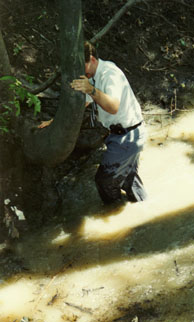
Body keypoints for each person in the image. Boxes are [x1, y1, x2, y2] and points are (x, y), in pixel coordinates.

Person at [56, 41, 147, 205]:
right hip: (120, 135)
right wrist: (53, 123)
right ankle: (143, 212)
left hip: (129, 136)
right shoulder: (94, 76)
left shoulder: (109, 74)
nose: (80, 72)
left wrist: (91, 90)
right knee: (128, 180)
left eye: (81, 67)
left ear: (91, 59)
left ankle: (115, 219)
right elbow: (82, 105)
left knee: (104, 181)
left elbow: (112, 107)